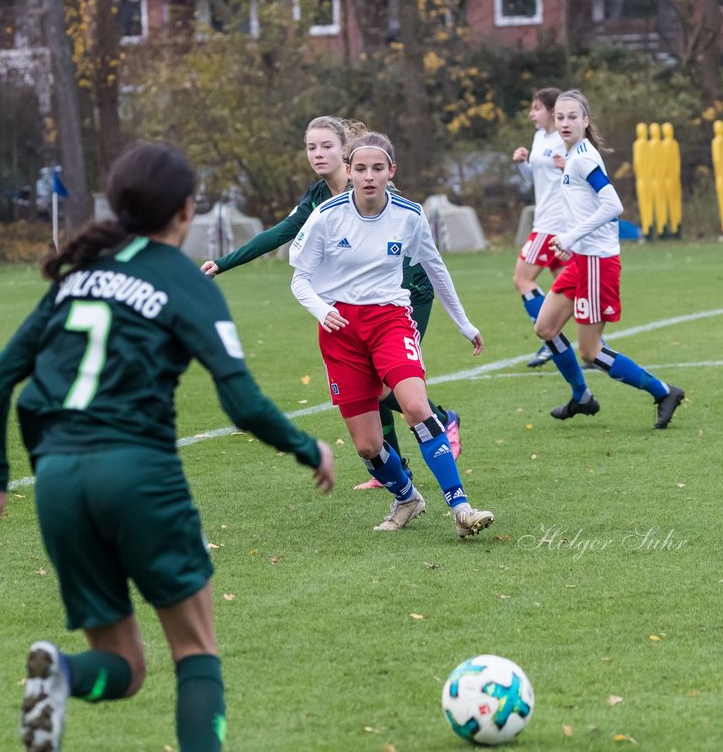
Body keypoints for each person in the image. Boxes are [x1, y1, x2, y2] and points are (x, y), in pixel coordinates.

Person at [0, 143, 335, 752]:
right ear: (186, 210)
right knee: (195, 651)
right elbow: (241, 403)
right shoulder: (185, 281)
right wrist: (306, 446)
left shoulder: (79, 273)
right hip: (137, 475)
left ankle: (62, 671)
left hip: (56, 484)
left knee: (125, 668)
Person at [201, 115, 462, 489]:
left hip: (405, 295)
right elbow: (282, 232)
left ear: (346, 152)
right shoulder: (319, 197)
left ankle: (440, 419)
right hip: (354, 305)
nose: (319, 154)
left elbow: (414, 260)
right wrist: (223, 263)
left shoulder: (380, 190)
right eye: (311, 147)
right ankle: (394, 464)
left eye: (327, 146)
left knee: (389, 382)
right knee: (368, 383)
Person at [289, 131, 494, 538]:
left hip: (390, 319)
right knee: (367, 446)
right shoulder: (327, 216)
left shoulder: (409, 215)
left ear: (391, 172)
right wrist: (322, 309)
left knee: (416, 407)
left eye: (377, 169)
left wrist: (464, 323)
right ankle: (407, 498)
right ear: (348, 172)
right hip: (341, 330)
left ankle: (461, 507)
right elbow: (301, 279)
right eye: (360, 168)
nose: (368, 176)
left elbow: (436, 270)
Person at [532, 90, 686, 429]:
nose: (565, 122)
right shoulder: (572, 156)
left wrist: (572, 237)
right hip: (580, 260)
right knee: (545, 327)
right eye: (560, 117)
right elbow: (585, 208)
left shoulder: (584, 158)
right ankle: (581, 396)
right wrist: (571, 241)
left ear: (586, 121)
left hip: (597, 264)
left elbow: (612, 204)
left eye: (573, 116)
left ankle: (663, 391)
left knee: (590, 351)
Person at [510, 88, 569, 370]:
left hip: (553, 224)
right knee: (567, 287)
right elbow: (534, 180)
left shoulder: (564, 138)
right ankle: (597, 346)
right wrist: (523, 164)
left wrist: (566, 167)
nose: (532, 114)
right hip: (548, 221)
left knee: (522, 279)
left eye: (536, 108)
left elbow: (578, 175)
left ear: (550, 110)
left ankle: (551, 339)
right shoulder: (539, 137)